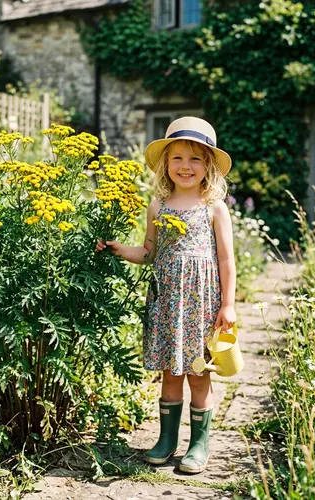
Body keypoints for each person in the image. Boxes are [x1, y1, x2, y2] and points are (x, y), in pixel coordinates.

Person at [96, 116, 236, 473]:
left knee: (198, 373)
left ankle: (199, 445)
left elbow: (225, 259)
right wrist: (117, 249)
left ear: (208, 165)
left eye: (194, 158)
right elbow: (149, 252)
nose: (185, 166)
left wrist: (229, 305)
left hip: (202, 304)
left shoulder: (214, 208)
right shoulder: (157, 206)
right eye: (177, 158)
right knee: (169, 375)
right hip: (166, 302)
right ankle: (166, 440)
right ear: (165, 164)